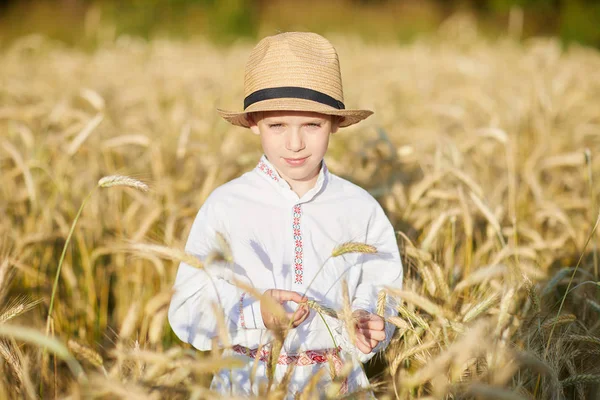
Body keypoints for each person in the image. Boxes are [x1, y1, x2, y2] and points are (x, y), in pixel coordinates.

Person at [168, 32, 403, 397]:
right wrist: (254, 313)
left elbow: (382, 291)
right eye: (277, 126)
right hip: (246, 385)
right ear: (254, 123)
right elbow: (186, 312)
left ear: (336, 124)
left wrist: (366, 322)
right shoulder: (226, 206)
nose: (295, 143)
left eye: (312, 125)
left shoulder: (360, 208)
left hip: (335, 386)